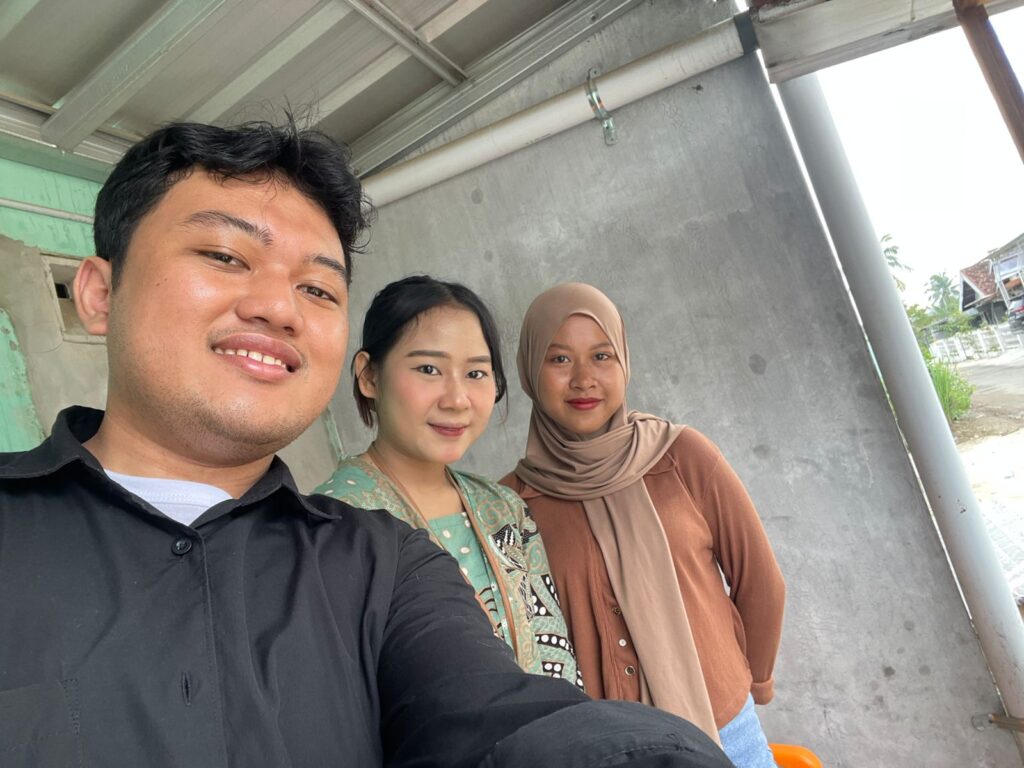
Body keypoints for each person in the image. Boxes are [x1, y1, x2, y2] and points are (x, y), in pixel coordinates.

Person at [0, 123, 732, 768]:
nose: (278, 307)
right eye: (224, 255)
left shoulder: (386, 566)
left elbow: (498, 713)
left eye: (318, 290)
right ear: (99, 294)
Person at [502, 282, 786, 768]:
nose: (584, 379)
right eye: (560, 359)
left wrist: (751, 680)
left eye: (602, 356)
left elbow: (760, 580)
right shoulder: (508, 505)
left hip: (725, 729)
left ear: (624, 362)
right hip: (608, 750)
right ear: (531, 370)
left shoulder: (682, 457)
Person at [316, 276, 582, 688]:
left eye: (476, 373)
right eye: (429, 369)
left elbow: (556, 657)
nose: (457, 399)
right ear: (369, 376)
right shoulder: (329, 526)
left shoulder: (505, 508)